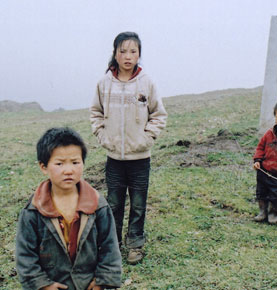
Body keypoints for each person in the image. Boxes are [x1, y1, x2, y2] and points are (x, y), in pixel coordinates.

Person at [90, 31, 167, 264]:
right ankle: (113, 246)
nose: (128, 56)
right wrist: (103, 137)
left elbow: (158, 115)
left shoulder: (147, 83)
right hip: (114, 158)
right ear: (115, 53)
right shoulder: (104, 84)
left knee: (139, 204)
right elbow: (96, 113)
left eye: (133, 51)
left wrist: (146, 139)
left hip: (140, 159)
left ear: (139, 54)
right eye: (123, 51)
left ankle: (135, 244)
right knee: (113, 204)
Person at [16, 127, 122, 290]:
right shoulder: (33, 211)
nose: (68, 170)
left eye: (75, 162)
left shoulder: (97, 204)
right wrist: (43, 285)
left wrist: (102, 281)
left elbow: (110, 247)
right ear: (43, 167)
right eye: (59, 163)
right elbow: (25, 256)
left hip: (89, 284)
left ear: (83, 163)